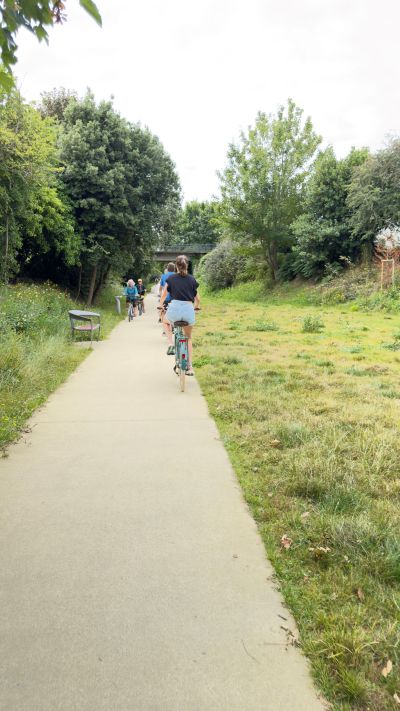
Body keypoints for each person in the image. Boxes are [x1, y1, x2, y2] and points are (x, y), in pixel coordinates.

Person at [159, 255, 200, 376]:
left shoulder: (171, 279)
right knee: (188, 338)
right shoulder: (192, 280)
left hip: (174, 310)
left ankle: (171, 343)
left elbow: (163, 296)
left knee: (165, 322)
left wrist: (161, 305)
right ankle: (190, 367)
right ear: (187, 265)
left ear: (176, 266)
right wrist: (196, 307)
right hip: (188, 310)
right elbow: (197, 299)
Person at [158, 262, 175, 328]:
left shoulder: (163, 276)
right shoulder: (177, 275)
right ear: (174, 269)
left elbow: (161, 287)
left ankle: (165, 329)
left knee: (163, 310)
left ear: (167, 269)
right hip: (175, 297)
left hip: (166, 297)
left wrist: (160, 293)